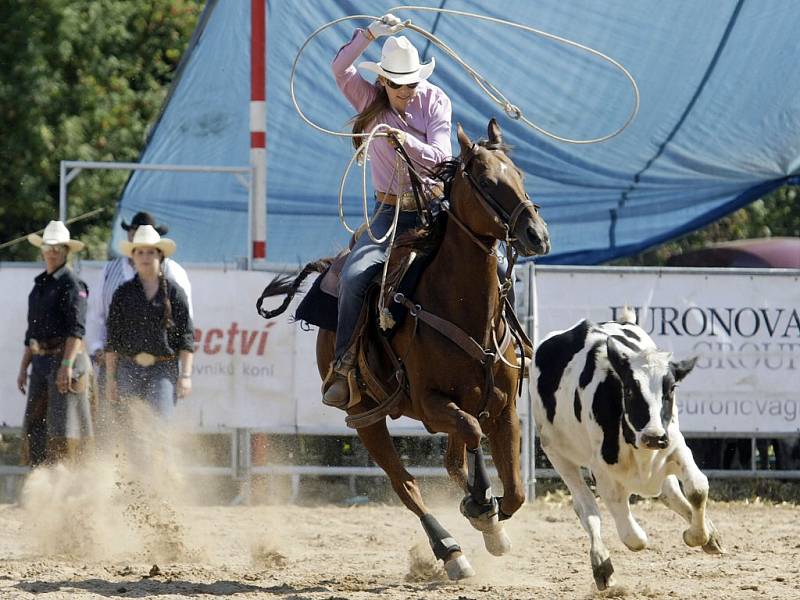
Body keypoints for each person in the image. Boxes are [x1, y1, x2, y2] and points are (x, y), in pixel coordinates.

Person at [323, 14, 453, 409]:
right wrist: (371, 34)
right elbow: (339, 68)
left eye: (412, 82)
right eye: (398, 84)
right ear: (383, 81)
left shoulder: (435, 100)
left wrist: (405, 141)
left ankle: (508, 345)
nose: (407, 91)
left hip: (433, 208)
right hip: (388, 212)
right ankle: (344, 364)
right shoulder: (369, 99)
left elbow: (443, 159)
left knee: (494, 263)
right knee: (354, 275)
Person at [86, 211, 192, 430]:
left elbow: (186, 335)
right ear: (133, 254)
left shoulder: (174, 288)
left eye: (150, 252)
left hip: (162, 364)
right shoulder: (122, 291)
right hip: (126, 364)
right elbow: (111, 334)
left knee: (159, 423)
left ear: (159, 255)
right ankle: (127, 464)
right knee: (126, 426)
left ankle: (160, 464)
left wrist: (186, 375)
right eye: (140, 252)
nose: (145, 257)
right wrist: (110, 374)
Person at [16, 220, 93, 465]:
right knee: (35, 424)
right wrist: (23, 367)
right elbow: (32, 333)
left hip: (64, 358)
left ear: (66, 251)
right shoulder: (40, 285)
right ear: (42, 250)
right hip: (40, 360)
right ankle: (40, 483)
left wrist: (67, 365)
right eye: (48, 247)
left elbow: (76, 330)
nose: (52, 252)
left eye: (57, 247)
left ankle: (67, 485)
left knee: (64, 427)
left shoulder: (72, 284)